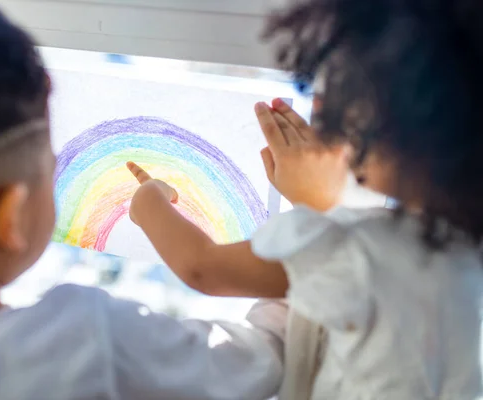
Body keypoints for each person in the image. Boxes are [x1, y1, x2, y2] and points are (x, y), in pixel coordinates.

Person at [0, 1, 290, 399]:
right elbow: (259, 355)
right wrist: (312, 216)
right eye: (53, 163)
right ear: (7, 217)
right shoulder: (84, 347)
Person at [126, 0, 483, 399]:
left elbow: (203, 267)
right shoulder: (464, 249)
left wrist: (148, 202)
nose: (324, 112)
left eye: (349, 101)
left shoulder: (364, 255)